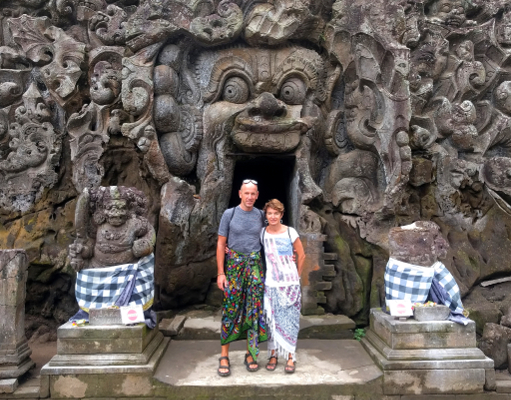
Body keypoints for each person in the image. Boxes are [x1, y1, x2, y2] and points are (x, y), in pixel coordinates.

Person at [216, 179, 267, 377]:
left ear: (257, 195)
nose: (249, 197)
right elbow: (221, 244)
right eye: (246, 193)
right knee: (231, 308)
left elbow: (272, 236)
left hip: (255, 267)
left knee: (253, 309)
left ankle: (251, 352)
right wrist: (221, 272)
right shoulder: (230, 214)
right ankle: (224, 355)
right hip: (234, 268)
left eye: (253, 193)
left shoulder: (262, 216)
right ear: (239, 194)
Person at [261, 199, 306, 374]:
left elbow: (301, 256)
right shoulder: (263, 233)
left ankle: (290, 357)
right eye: (269, 213)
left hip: (290, 284)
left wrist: (297, 276)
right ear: (266, 215)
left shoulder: (290, 232)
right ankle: (273, 354)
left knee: (291, 321)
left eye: (276, 213)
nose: (273, 216)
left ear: (281, 215)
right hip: (271, 284)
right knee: (271, 321)